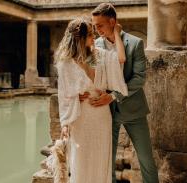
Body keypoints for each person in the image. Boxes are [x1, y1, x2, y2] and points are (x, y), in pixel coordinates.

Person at [90, 3, 159, 183]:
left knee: (146, 160)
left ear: (112, 21)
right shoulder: (95, 45)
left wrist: (113, 96)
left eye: (100, 25)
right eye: (94, 26)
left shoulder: (135, 43)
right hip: (106, 113)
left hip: (134, 111)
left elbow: (139, 78)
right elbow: (93, 75)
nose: (96, 30)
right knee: (107, 163)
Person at [55, 17, 128, 183]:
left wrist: (116, 32)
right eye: (89, 34)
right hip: (80, 118)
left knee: (101, 161)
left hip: (101, 117)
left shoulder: (99, 55)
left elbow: (121, 59)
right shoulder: (65, 63)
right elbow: (64, 95)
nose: (94, 37)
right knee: (80, 161)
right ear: (79, 38)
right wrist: (65, 123)